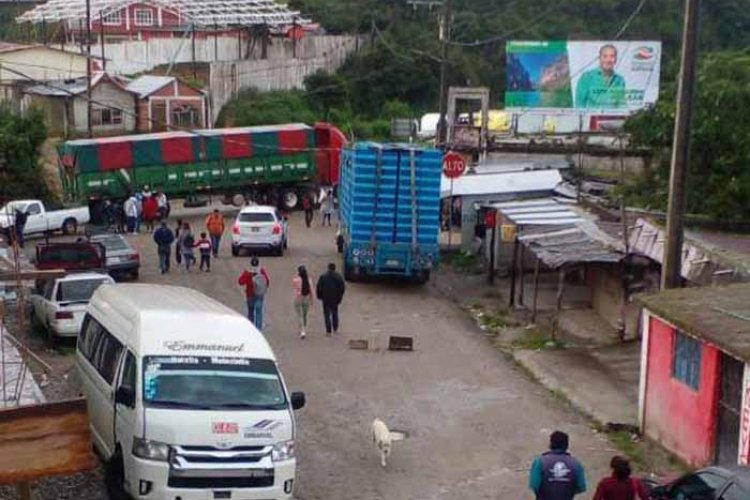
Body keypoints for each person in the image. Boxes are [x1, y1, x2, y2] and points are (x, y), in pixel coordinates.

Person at [529, 430, 587, 500]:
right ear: (567, 445)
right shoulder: (576, 464)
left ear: (551, 444)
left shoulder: (540, 462)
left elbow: (534, 485)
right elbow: (581, 487)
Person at [575, 44, 627, 109]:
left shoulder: (619, 80)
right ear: (599, 58)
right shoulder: (587, 77)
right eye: (605, 56)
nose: (608, 60)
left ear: (616, 59)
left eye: (612, 56)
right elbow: (579, 104)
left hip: (612, 118)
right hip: (591, 118)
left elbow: (620, 104)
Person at [238, 257, 270, 331]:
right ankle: (258, 329)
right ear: (258, 263)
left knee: (250, 312)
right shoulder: (261, 271)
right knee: (259, 312)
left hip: (250, 295)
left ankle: (251, 329)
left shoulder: (248, 272)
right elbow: (267, 282)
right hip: (259, 294)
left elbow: (240, 282)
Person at [316, 262, 345, 336]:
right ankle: (335, 328)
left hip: (326, 298)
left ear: (328, 268)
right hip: (335, 298)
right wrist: (340, 296)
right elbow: (342, 288)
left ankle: (328, 330)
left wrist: (319, 296)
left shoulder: (323, 277)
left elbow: (319, 287)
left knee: (326, 314)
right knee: (335, 313)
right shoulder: (338, 277)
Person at [293, 265, 314, 339]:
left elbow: (294, 286)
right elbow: (311, 290)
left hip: (298, 298)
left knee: (299, 315)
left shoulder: (296, 280)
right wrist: (312, 299)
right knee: (305, 314)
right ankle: (304, 328)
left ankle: (302, 330)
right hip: (306, 298)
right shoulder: (309, 280)